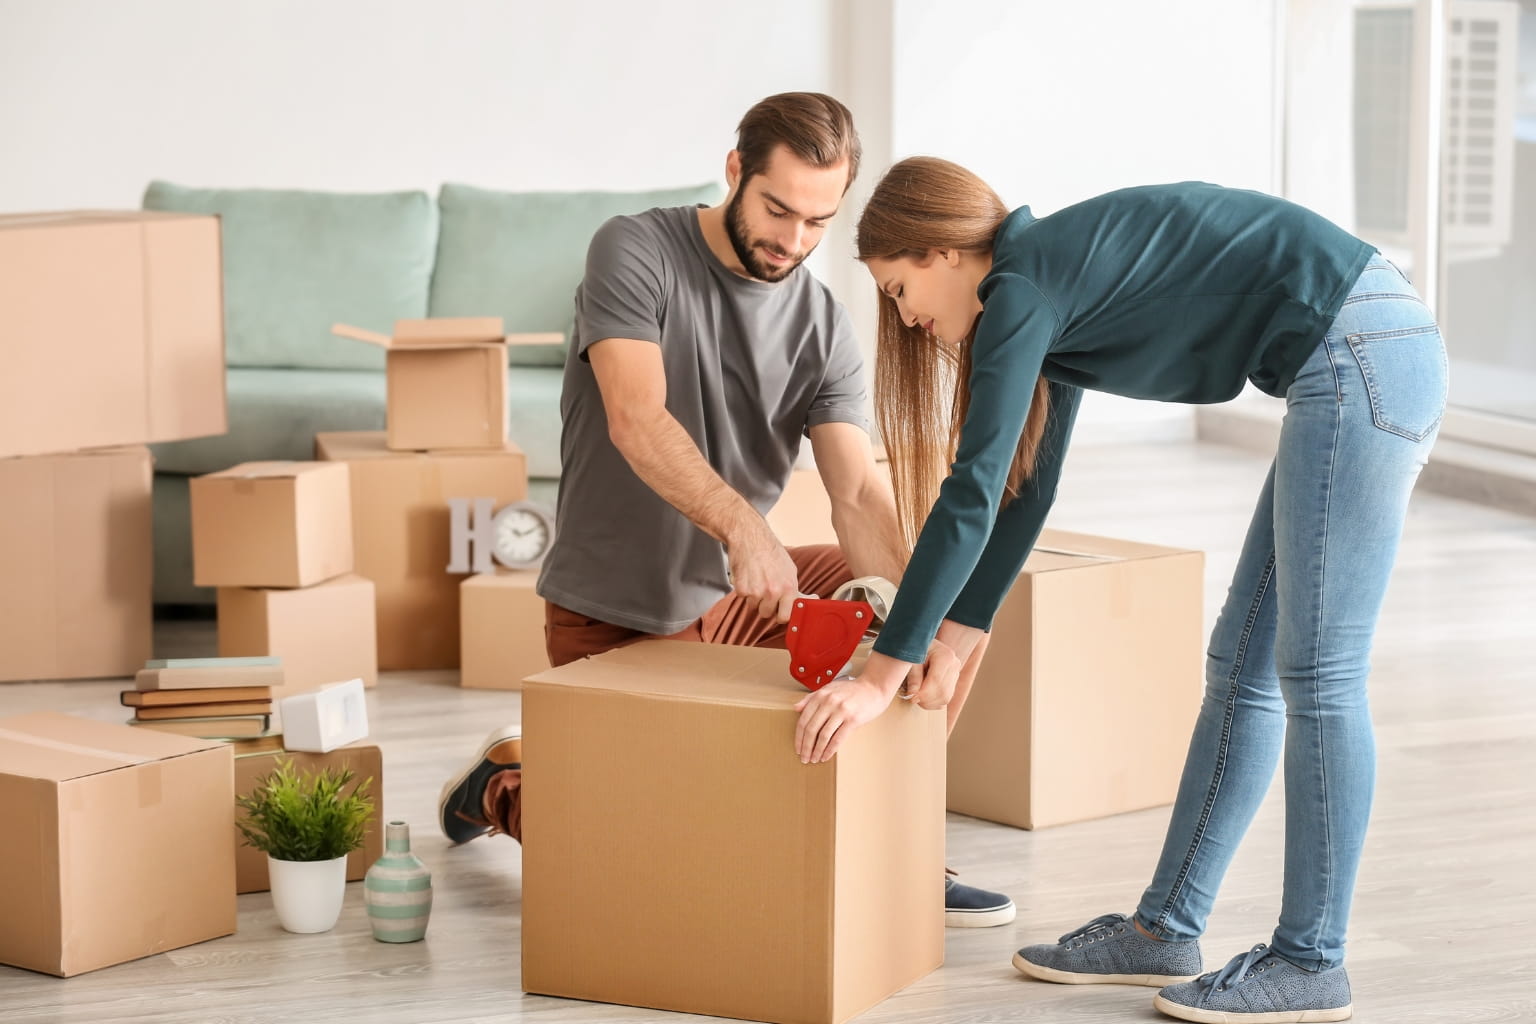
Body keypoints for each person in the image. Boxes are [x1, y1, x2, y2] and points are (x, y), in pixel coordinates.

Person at [794, 156, 1446, 1022]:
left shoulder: (1023, 286)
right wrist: (956, 632)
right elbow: (1026, 491)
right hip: (1353, 352)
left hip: (1362, 349)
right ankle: (1164, 931)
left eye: (899, 289)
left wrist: (881, 676)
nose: (907, 318)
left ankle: (1310, 961)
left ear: (943, 252)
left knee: (1319, 674)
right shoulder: (1045, 285)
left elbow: (972, 489)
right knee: (1241, 668)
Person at [437, 97, 1016, 928]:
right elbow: (636, 418)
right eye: (778, 209)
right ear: (736, 170)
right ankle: (504, 785)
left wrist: (915, 629)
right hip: (620, 616)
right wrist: (745, 528)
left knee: (940, 600)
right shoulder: (634, 250)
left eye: (818, 222)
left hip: (744, 602)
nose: (793, 239)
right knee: (672, 872)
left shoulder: (822, 323)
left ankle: (900, 843)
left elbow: (856, 493)